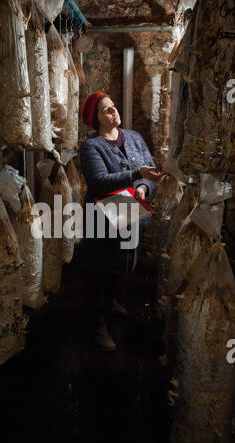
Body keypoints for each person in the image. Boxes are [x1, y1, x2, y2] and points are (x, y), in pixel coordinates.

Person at [79, 92, 164, 352]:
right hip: (101, 216)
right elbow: (99, 182)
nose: (114, 111)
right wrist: (135, 175)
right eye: (106, 110)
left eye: (113, 106)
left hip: (128, 213)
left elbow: (151, 171)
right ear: (96, 119)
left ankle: (112, 301)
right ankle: (98, 324)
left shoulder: (134, 137)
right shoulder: (90, 146)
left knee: (121, 262)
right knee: (99, 270)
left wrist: (143, 188)